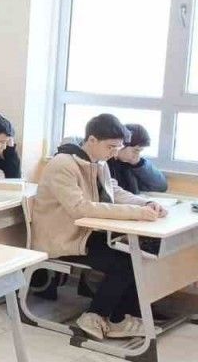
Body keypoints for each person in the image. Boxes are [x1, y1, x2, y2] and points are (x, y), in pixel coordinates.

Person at [32, 113, 167, 341]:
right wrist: (136, 213)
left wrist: (145, 204)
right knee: (124, 263)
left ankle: (121, 317)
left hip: (85, 234)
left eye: (117, 148)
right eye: (111, 147)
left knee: (137, 254)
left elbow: (115, 192)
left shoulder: (99, 163)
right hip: (62, 238)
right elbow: (80, 208)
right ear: (92, 140)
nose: (114, 153)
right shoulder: (62, 164)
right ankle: (98, 317)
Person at [108, 123, 168, 194]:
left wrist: (139, 164)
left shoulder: (130, 164)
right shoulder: (104, 162)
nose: (137, 156)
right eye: (136, 150)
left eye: (140, 151)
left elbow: (161, 186)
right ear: (122, 144)